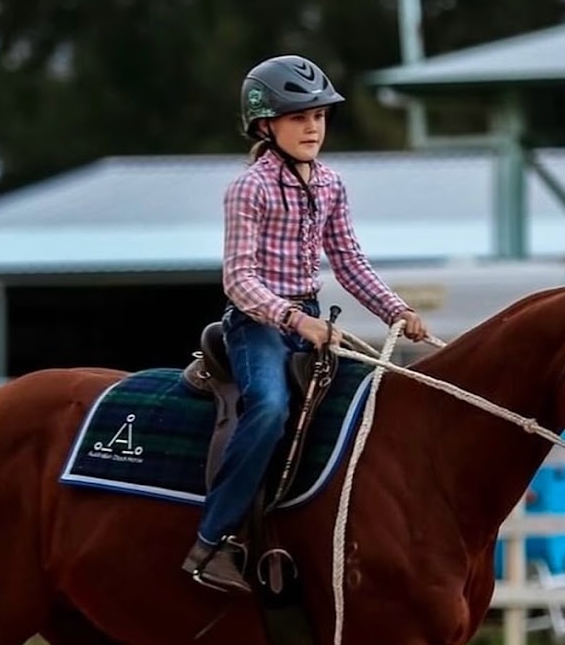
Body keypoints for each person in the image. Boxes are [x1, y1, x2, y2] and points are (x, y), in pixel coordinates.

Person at [182, 54, 428, 594]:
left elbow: (349, 261)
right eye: (298, 117)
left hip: (310, 321)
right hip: (257, 325)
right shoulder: (251, 188)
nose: (313, 127)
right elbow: (238, 280)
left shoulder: (332, 184)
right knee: (269, 408)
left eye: (319, 116)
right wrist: (293, 317)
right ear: (265, 125)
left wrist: (396, 310)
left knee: (364, 414)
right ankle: (213, 540)